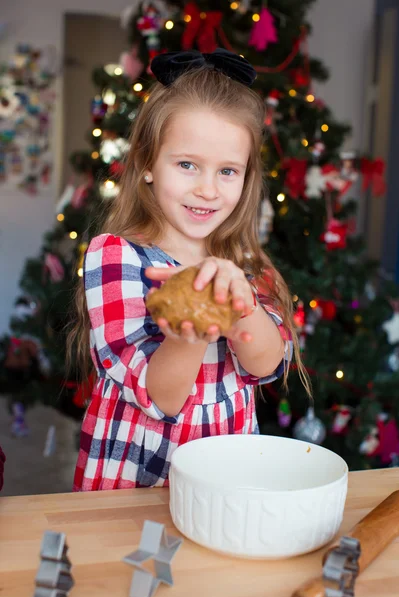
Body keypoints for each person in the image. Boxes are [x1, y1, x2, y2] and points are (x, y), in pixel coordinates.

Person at [69, 49, 311, 492]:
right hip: (134, 489)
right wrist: (188, 333)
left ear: (246, 177)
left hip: (224, 482)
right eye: (187, 165)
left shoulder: (246, 265)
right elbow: (160, 397)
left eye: (227, 171)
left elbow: (267, 365)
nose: (206, 189)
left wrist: (240, 306)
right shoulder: (116, 256)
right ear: (145, 162)